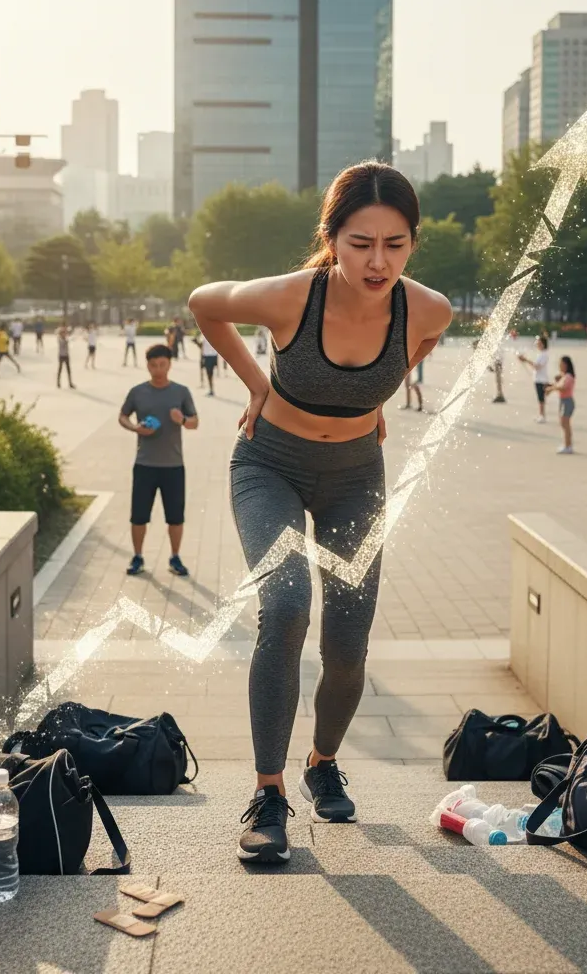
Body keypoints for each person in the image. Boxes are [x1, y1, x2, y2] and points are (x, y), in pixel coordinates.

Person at [188, 160, 452, 864]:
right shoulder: (289, 298)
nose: (378, 260)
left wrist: (372, 406)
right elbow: (202, 301)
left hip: (355, 478)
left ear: (412, 244)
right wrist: (255, 384)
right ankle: (268, 792)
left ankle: (322, 762)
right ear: (332, 238)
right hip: (268, 464)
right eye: (361, 242)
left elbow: (412, 353)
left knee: (348, 640)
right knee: (285, 603)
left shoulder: (428, 310)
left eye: (395, 244)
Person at [118, 344, 198, 577]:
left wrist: (181, 419)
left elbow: (195, 422)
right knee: (139, 515)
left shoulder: (181, 392)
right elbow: (122, 415)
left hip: (173, 466)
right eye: (153, 365)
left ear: (170, 364)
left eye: (162, 364)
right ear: (147, 365)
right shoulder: (137, 392)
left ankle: (175, 557)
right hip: (144, 465)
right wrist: (135, 428)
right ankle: (137, 557)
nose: (158, 369)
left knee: (175, 516)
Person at [544, 355, 576, 454]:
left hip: (567, 402)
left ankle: (568, 446)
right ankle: (567, 444)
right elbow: (558, 385)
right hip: (563, 401)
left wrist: (551, 389)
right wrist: (552, 386)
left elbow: (562, 387)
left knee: (565, 424)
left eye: (561, 364)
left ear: (566, 365)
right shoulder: (564, 376)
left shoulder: (568, 377)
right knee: (564, 424)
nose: (560, 366)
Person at [517, 335, 550, 423]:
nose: (537, 345)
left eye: (539, 343)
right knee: (540, 398)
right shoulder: (541, 354)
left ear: (543, 344)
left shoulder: (544, 355)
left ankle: (542, 416)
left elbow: (537, 367)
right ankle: (540, 415)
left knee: (541, 398)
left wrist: (526, 360)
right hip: (538, 379)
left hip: (542, 379)